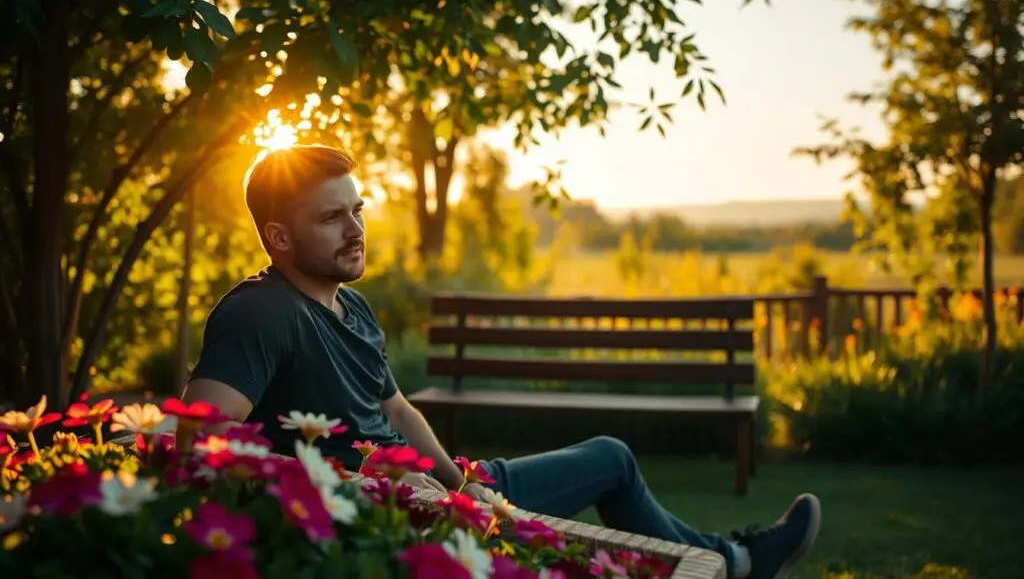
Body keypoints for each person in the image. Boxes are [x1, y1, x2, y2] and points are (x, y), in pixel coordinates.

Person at [182, 144, 821, 579]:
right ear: (280, 236)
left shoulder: (354, 309)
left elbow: (395, 411)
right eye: (331, 218)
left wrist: (460, 486)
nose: (355, 229)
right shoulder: (262, 312)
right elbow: (199, 441)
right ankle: (740, 564)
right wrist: (362, 490)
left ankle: (734, 562)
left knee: (612, 458)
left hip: (441, 490)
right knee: (611, 465)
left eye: (357, 210)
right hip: (388, 512)